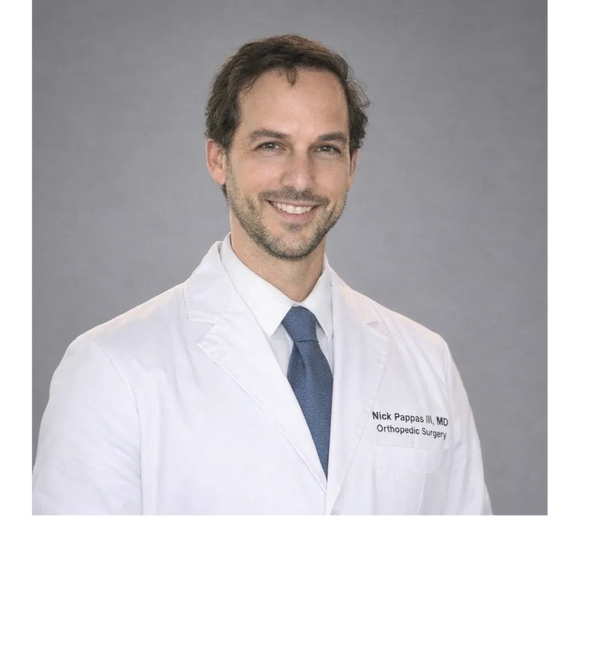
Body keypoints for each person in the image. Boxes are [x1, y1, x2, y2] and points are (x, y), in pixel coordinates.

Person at [29, 34, 493, 518]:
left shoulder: (427, 362)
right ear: (218, 159)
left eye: (326, 148)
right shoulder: (111, 369)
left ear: (352, 166)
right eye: (271, 146)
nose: (300, 179)